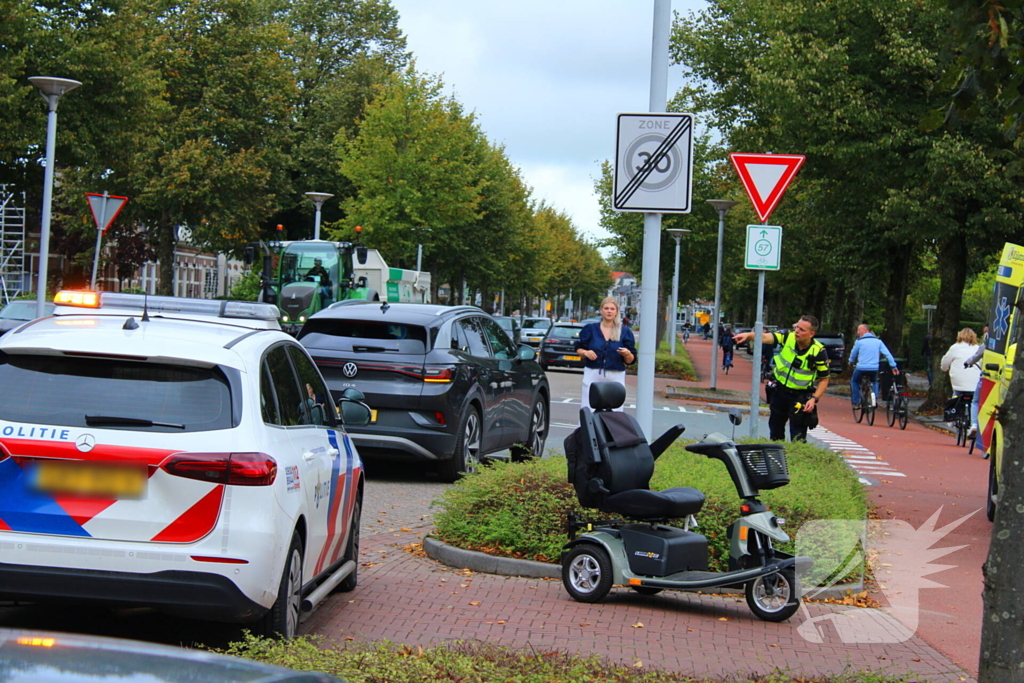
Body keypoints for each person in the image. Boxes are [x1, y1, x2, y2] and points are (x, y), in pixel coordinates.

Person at [734, 315, 830, 442]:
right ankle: (777, 453)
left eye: (802, 330)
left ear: (811, 334)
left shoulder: (818, 352)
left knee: (798, 437)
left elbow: (824, 379)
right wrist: (748, 335)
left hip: (800, 396)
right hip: (780, 392)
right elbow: (765, 337)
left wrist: (814, 399)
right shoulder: (787, 336)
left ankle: (795, 455)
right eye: (797, 327)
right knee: (775, 431)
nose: (797, 331)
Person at [575, 297, 637, 412]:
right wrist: (585, 352)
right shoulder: (590, 329)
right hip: (593, 372)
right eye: (606, 308)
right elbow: (578, 348)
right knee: (588, 406)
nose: (609, 311)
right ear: (601, 310)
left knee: (615, 410)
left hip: (616, 374)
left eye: (612, 309)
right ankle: (587, 424)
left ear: (616, 311)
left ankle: (613, 424)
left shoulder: (625, 332)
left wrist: (627, 354)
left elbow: (630, 360)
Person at [847, 324, 899, 410]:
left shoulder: (859, 342)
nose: (857, 332)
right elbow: (887, 354)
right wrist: (893, 366)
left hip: (861, 367)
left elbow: (853, 354)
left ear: (865, 331)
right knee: (874, 381)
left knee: (854, 381)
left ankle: (856, 402)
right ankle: (874, 398)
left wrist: (851, 362)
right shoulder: (878, 342)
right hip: (874, 368)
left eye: (859, 330)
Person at [940, 328, 982, 430]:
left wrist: (944, 368)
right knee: (975, 401)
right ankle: (974, 423)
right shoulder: (978, 348)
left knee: (956, 394)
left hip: (958, 381)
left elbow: (945, 362)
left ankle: (952, 417)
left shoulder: (955, 347)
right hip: (974, 381)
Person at [963, 326, 988, 451]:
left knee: (976, 401)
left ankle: (974, 424)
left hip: (986, 378)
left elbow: (976, 356)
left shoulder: (989, 343)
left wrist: (967, 363)